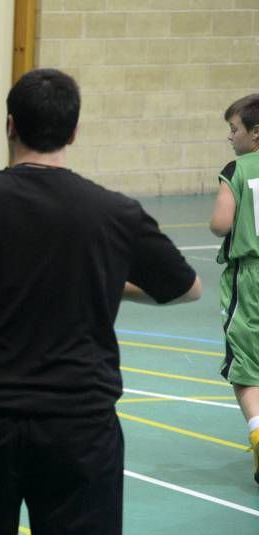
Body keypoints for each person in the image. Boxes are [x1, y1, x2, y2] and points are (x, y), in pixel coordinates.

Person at [0, 68, 203, 534]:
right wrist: (99, 279)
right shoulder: (115, 211)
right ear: (74, 132)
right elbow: (186, 288)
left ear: (10, 125)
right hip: (81, 429)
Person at [209, 93, 259, 485]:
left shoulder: (238, 169)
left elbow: (221, 224)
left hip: (252, 278)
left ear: (256, 134)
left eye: (234, 129)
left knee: (245, 362)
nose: (230, 137)